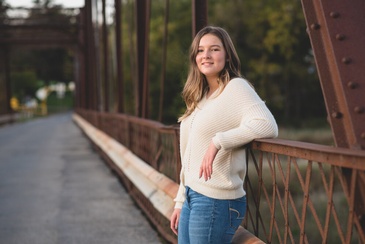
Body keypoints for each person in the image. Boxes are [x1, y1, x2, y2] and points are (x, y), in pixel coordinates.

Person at [169, 26, 278, 244]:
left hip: (216, 200)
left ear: (227, 55)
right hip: (193, 196)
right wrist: (180, 200)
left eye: (214, 49)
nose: (206, 55)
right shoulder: (200, 96)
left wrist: (219, 142)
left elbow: (267, 125)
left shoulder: (236, 87)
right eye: (200, 50)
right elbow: (189, 155)